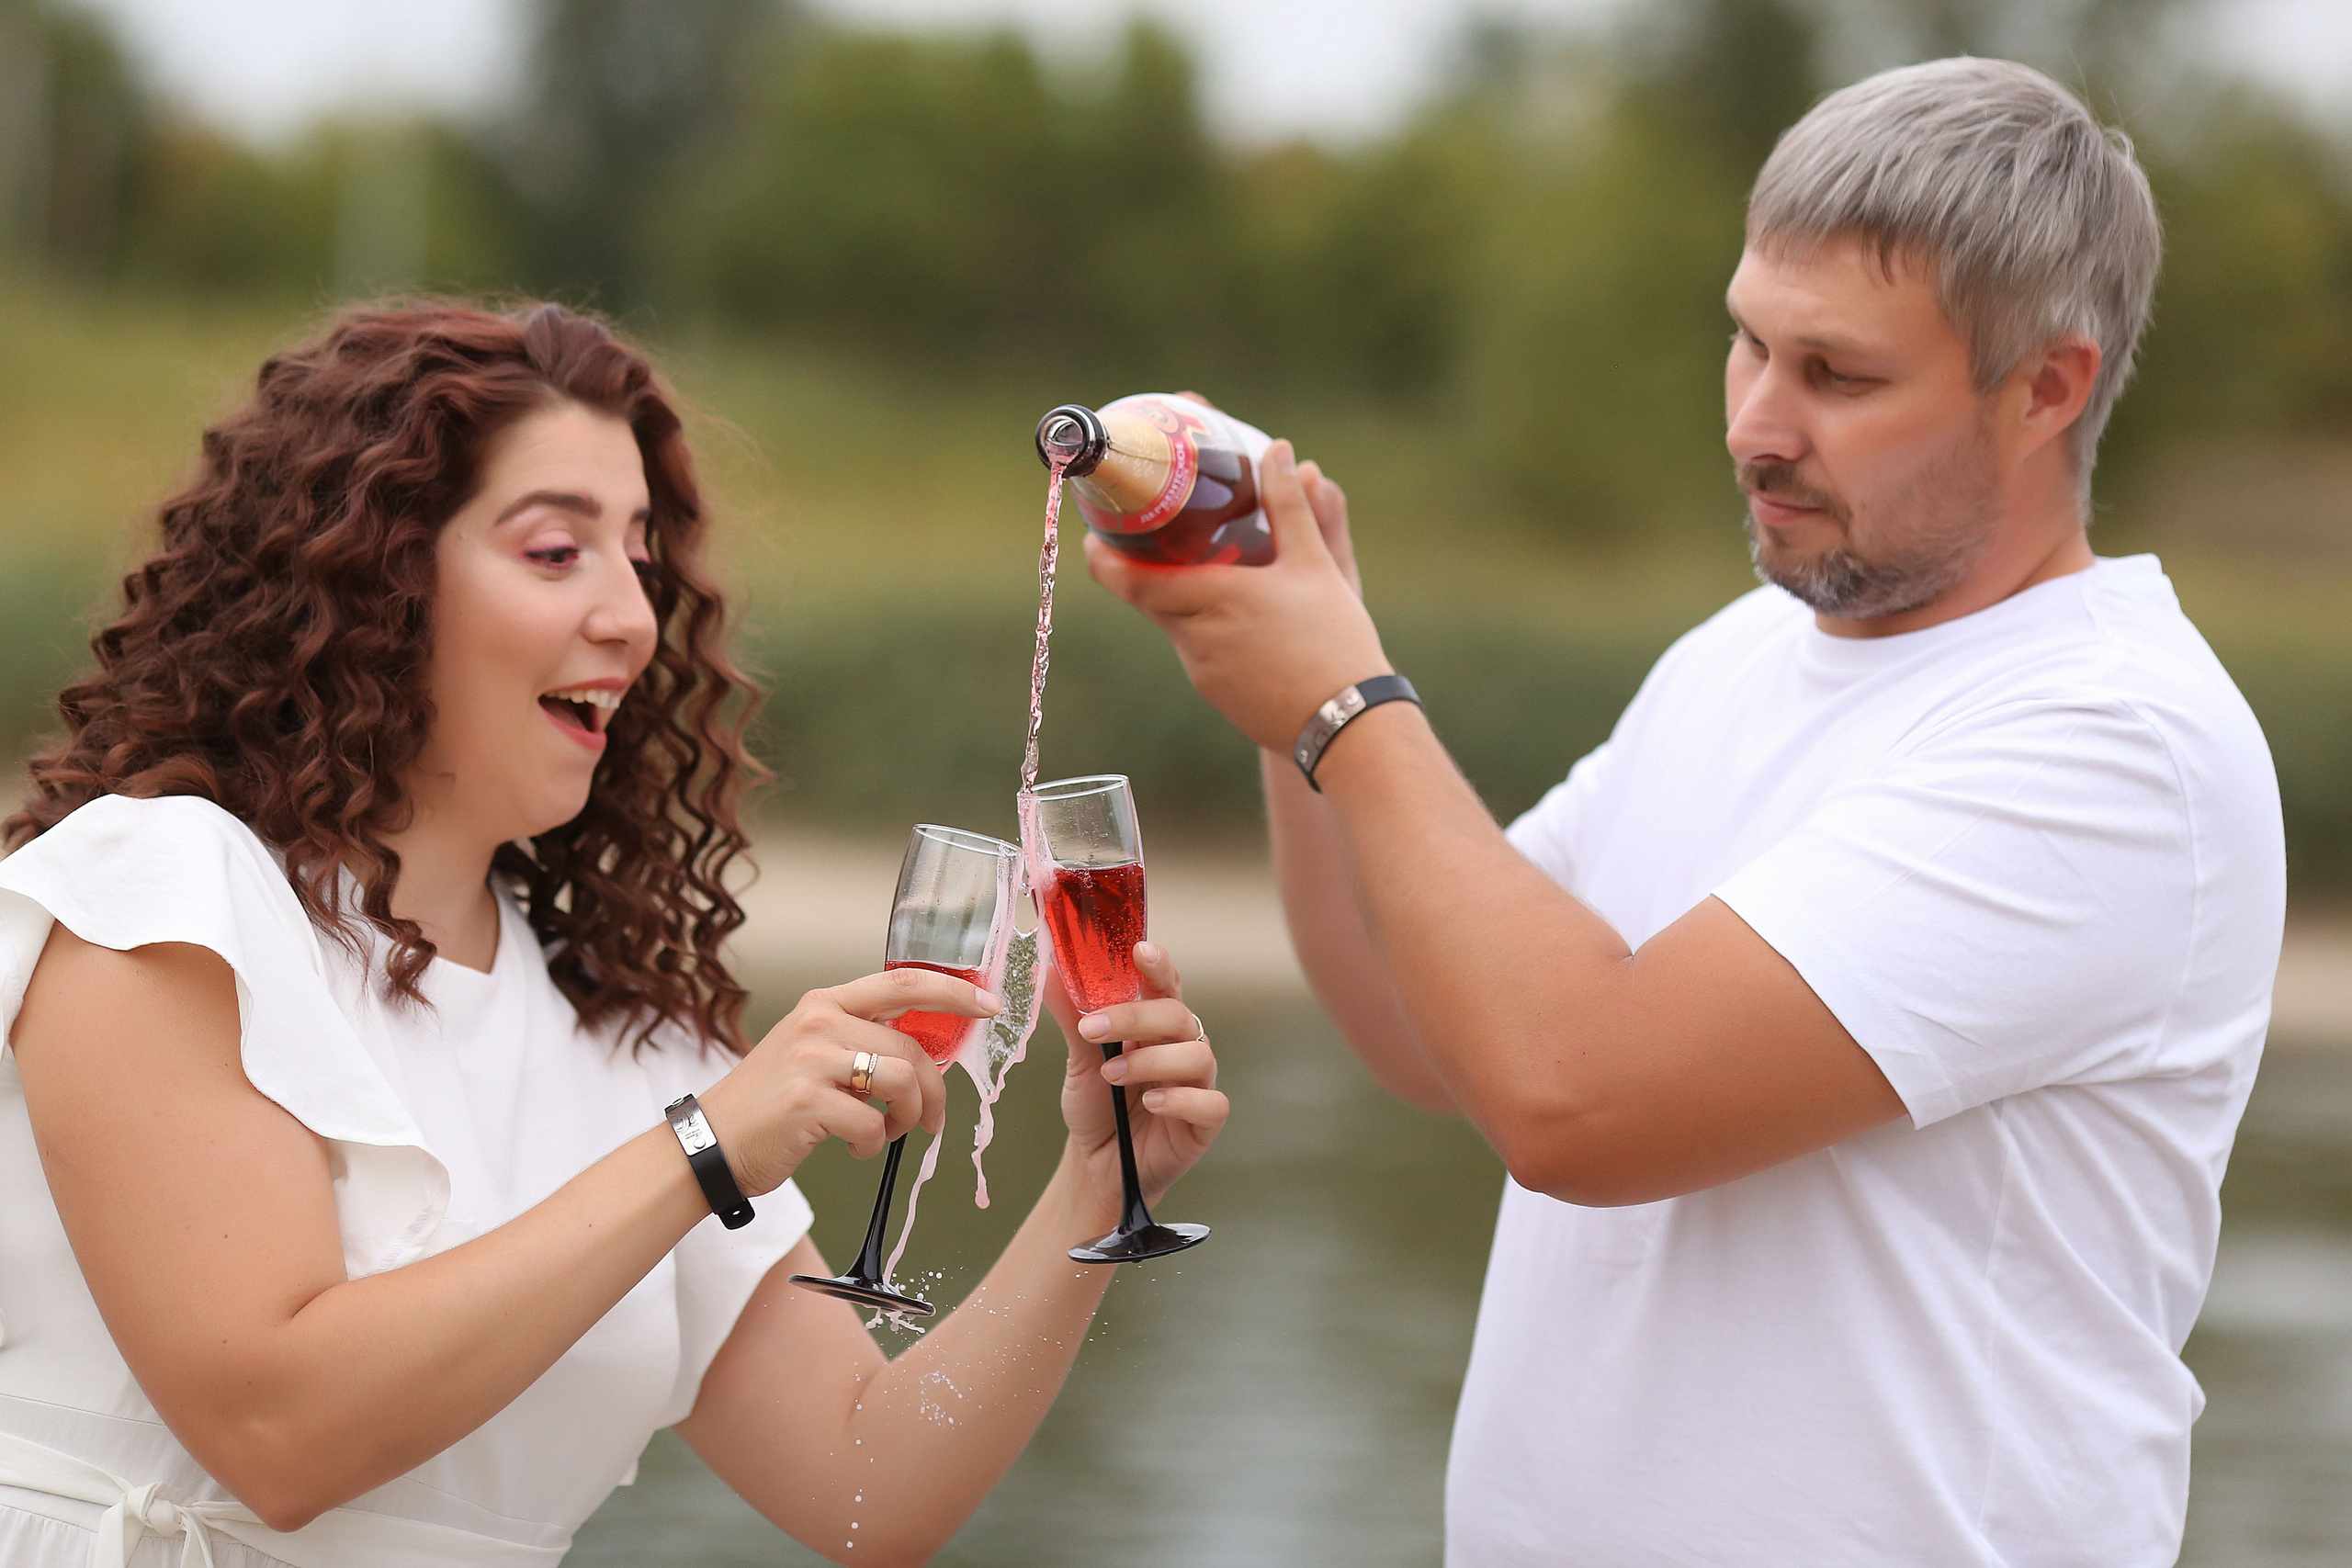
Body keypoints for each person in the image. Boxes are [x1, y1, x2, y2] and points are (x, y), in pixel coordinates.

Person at [1089, 57, 2284, 1566]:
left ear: (2047, 383)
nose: (1756, 424)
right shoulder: (1740, 656)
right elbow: (1421, 1028)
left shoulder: (2114, 748)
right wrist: (1286, 653)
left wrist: (1347, 706)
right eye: (1748, 344)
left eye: (1838, 376)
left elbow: (1574, 1100)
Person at [0, 301, 1229, 1567]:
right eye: (553, 553)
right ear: (371, 579)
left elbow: (870, 1488)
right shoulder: (161, 891)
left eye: (640, 560)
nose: (632, 619)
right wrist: (706, 1150)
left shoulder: (622, 1033)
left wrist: (1093, 1184)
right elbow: (277, 1430)